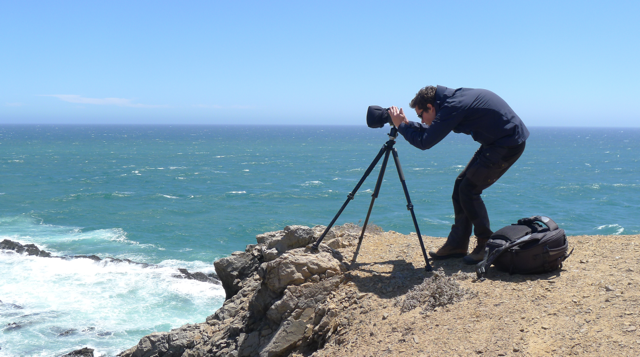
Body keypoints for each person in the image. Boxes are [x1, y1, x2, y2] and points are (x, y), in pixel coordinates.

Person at [387, 85, 529, 264]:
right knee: (460, 185)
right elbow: (432, 129)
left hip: (507, 143)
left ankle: (486, 245)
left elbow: (425, 142)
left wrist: (400, 126)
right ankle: (457, 245)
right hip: (496, 142)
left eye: (420, 115)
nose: (421, 121)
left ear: (430, 107)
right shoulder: (451, 101)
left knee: (469, 189)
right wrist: (406, 125)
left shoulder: (453, 106)